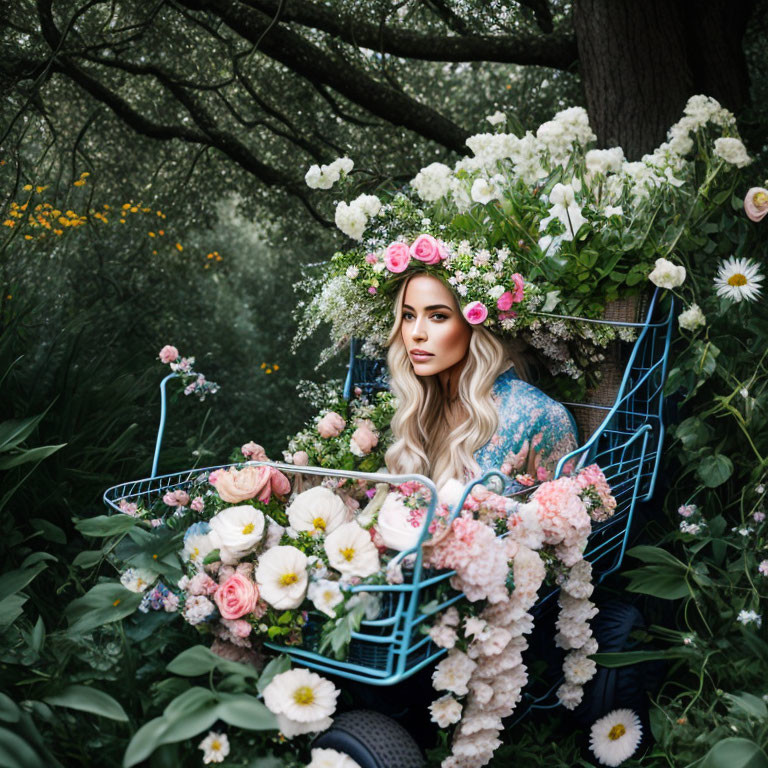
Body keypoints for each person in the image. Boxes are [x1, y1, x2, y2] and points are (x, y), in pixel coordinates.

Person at [384, 272, 579, 491]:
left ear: (476, 324)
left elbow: (560, 519)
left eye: (438, 316)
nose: (416, 333)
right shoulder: (419, 406)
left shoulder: (540, 417)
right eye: (408, 316)